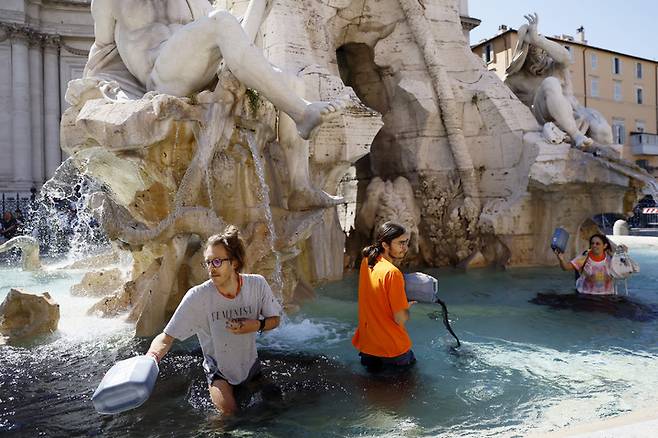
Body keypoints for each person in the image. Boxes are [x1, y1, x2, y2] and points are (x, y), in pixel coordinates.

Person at [146, 225, 282, 415]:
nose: (211, 268)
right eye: (208, 262)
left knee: (277, 406)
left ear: (234, 262)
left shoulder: (257, 284)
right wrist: (151, 359)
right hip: (219, 374)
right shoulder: (198, 296)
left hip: (251, 368)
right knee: (229, 417)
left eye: (217, 261)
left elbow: (275, 320)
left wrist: (255, 325)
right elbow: (166, 337)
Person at [505, 13, 613, 148]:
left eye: (543, 51)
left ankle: (598, 150)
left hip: (573, 111)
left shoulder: (555, 66)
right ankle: (576, 135)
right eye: (534, 52)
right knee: (550, 83)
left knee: (603, 132)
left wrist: (538, 40)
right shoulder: (515, 80)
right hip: (544, 117)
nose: (540, 56)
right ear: (525, 54)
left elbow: (567, 58)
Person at [352, 221, 416, 373]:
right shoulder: (393, 273)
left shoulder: (367, 262)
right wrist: (407, 307)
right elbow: (400, 318)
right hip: (393, 351)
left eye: (406, 242)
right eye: (400, 243)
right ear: (385, 245)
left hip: (369, 347)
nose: (405, 248)